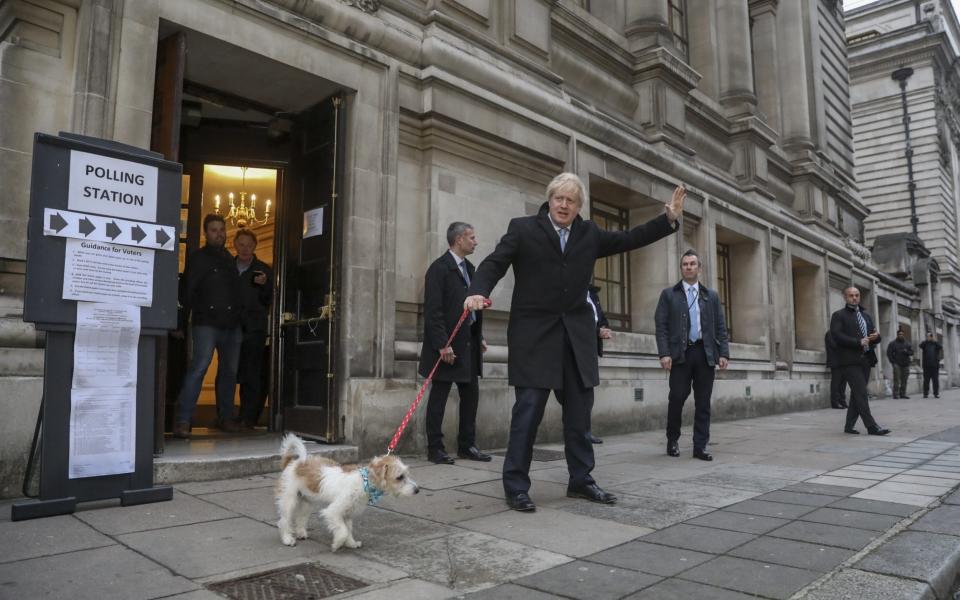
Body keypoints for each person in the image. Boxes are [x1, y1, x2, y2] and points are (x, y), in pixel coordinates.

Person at [464, 172, 684, 512]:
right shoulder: (523, 228)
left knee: (579, 417)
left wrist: (667, 219)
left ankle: (581, 480)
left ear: (579, 205)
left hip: (576, 341)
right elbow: (495, 263)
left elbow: (629, 238)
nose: (564, 205)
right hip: (535, 339)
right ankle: (516, 486)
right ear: (550, 200)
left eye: (571, 200)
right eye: (559, 198)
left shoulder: (588, 233)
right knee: (527, 416)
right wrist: (478, 291)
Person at [419, 222, 492, 465]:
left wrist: (478, 334)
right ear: (458, 239)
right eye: (471, 237)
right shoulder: (439, 269)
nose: (475, 241)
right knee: (439, 397)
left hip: (467, 344)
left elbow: (472, 307)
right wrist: (442, 344)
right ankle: (435, 448)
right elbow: (433, 311)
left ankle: (467, 445)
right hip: (446, 347)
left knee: (471, 396)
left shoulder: (470, 269)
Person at [655, 250, 730, 461]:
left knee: (703, 401)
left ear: (699, 268)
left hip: (705, 353)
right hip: (680, 354)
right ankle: (672, 439)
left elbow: (720, 327)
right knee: (677, 397)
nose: (688, 267)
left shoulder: (711, 296)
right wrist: (664, 353)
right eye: (685, 264)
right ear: (681, 268)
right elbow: (661, 326)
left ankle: (700, 446)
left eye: (692, 264)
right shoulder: (669, 294)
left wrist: (723, 353)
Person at [174, 214, 243, 438]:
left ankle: (225, 418)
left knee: (229, 373)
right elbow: (187, 291)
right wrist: (180, 323)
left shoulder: (230, 259)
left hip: (232, 325)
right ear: (206, 233)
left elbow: (237, 295)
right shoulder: (198, 258)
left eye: (222, 230)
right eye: (214, 230)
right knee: (199, 368)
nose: (219, 234)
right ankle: (183, 420)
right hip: (206, 323)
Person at [830, 286, 890, 435]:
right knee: (862, 393)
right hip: (849, 361)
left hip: (866, 360)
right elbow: (836, 335)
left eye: (857, 295)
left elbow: (874, 336)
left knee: (858, 394)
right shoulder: (839, 315)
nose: (854, 298)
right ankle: (872, 427)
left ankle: (849, 426)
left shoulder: (866, 316)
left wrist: (877, 337)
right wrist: (857, 342)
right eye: (851, 295)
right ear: (845, 297)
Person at [234, 229, 274, 429]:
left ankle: (248, 418)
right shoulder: (227, 267)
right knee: (228, 372)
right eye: (241, 244)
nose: (245, 249)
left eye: (249, 245)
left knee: (251, 374)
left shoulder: (264, 270)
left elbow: (270, 301)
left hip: (254, 329)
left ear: (255, 247)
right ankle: (225, 416)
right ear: (235, 245)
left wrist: (265, 285)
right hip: (230, 327)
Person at [586, 285, 613, 444]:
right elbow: (577, 321)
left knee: (588, 393)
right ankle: (578, 432)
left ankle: (586, 432)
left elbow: (600, 317)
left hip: (591, 349)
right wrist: (597, 331)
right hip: (575, 348)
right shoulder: (572, 290)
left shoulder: (591, 293)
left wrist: (603, 328)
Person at [886, 328, 913, 399]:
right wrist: (893, 362)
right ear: (897, 335)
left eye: (902, 334)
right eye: (899, 334)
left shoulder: (907, 343)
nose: (901, 335)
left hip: (906, 364)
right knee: (896, 379)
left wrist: (906, 351)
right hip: (897, 364)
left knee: (904, 380)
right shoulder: (892, 343)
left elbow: (912, 352)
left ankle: (903, 394)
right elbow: (889, 353)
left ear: (904, 335)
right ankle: (896, 394)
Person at [825, 330, 848, 409]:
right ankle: (835, 402)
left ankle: (842, 401)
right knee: (836, 383)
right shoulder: (830, 333)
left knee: (843, 383)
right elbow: (835, 346)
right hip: (835, 362)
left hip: (844, 362)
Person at [919, 332, 943, 399]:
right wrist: (926, 340)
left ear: (932, 337)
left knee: (935, 381)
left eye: (930, 336)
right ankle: (925, 393)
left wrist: (934, 341)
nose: (929, 337)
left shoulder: (935, 344)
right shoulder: (925, 344)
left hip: (935, 366)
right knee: (926, 380)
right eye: (928, 336)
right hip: (926, 366)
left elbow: (940, 346)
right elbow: (920, 345)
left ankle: (936, 393)